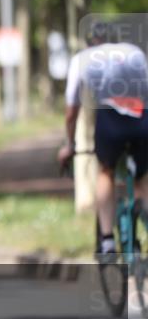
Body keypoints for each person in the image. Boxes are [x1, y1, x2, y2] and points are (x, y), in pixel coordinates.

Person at [57, 22, 148, 256]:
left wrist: (70, 145)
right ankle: (142, 217)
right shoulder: (133, 51)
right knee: (141, 177)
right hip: (141, 116)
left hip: (110, 119)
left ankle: (107, 239)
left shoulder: (82, 58)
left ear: (90, 41)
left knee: (105, 171)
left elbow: (71, 111)